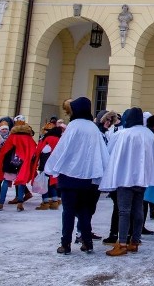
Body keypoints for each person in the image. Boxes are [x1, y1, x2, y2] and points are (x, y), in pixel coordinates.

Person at [45, 97, 109, 255]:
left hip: (69, 176)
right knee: (85, 212)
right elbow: (101, 152)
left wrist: (52, 167)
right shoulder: (93, 128)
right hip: (88, 178)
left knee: (68, 212)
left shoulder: (73, 126)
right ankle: (87, 242)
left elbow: (63, 149)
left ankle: (65, 244)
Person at [101, 107, 154, 256]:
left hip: (125, 177)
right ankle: (135, 241)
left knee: (124, 211)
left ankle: (121, 244)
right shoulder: (149, 134)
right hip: (142, 177)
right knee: (138, 208)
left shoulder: (123, 134)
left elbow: (111, 153)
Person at [0, 118, 35, 211]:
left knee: (6, 181)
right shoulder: (28, 138)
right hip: (23, 163)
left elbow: (4, 149)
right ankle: (20, 203)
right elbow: (33, 150)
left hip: (10, 162)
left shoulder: (12, 136)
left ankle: (1, 203)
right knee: (21, 183)